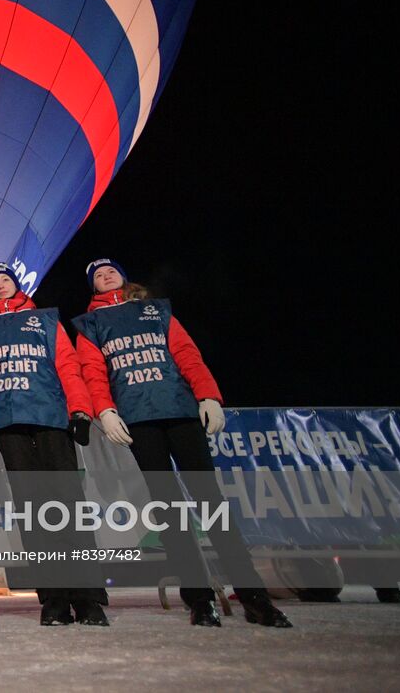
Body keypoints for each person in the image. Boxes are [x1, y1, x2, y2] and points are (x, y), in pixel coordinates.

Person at [72, 259, 292, 628]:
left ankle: (254, 597)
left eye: (110, 271)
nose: (105, 276)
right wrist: (105, 410)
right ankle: (198, 599)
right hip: (139, 420)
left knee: (212, 503)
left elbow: (186, 354)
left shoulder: (155, 311)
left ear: (124, 276)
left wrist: (208, 395)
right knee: (169, 511)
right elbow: (92, 372)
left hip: (180, 411)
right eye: (97, 275)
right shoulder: (89, 325)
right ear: (93, 288)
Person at [0, 263, 108, 626]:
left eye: (5, 281)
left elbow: (67, 364)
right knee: (33, 513)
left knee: (70, 506)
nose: (0, 287)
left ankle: (88, 597)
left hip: (50, 420)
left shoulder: (44, 320)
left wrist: (79, 409)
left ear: (17, 285)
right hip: (9, 425)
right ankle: (54, 598)